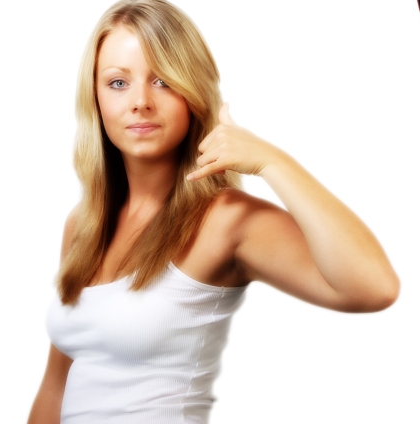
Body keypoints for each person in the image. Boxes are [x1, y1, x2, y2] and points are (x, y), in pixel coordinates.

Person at [27, 0, 399, 422]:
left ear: (193, 93)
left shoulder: (225, 220)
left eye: (163, 80)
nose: (140, 102)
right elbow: (56, 387)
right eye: (118, 83)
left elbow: (373, 287)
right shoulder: (83, 224)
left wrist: (274, 163)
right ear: (94, 97)